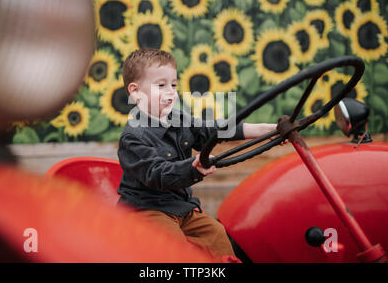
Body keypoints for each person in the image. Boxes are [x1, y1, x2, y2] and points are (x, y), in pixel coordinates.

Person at [116, 48, 286, 262]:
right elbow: (158, 174)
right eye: (161, 85)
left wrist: (265, 130)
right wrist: (192, 167)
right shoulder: (133, 137)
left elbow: (213, 130)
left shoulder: (179, 119)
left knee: (216, 233)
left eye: (174, 85)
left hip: (180, 207)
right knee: (173, 248)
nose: (171, 92)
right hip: (147, 209)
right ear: (136, 91)